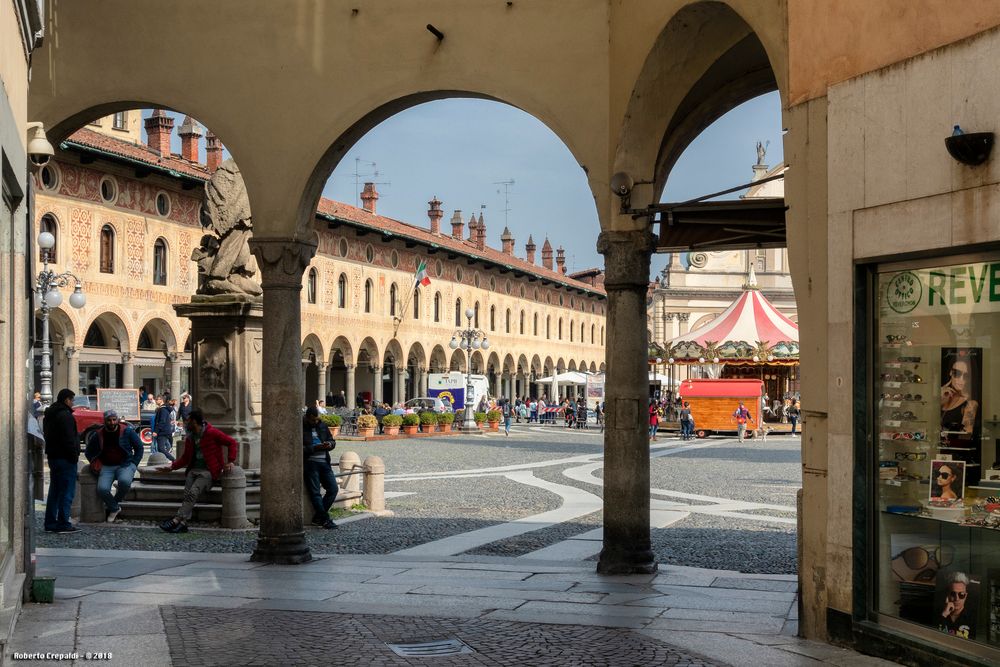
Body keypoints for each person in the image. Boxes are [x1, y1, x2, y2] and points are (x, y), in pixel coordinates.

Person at [156, 409, 238, 533]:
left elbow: (232, 442)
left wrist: (230, 460)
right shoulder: (190, 437)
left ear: (194, 422)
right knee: (187, 494)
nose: (185, 423)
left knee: (193, 493)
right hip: (193, 470)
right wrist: (171, 467)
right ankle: (183, 523)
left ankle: (176, 520)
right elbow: (185, 458)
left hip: (208, 471)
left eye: (187, 421)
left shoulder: (212, 433)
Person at [85, 410, 143, 522]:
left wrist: (134, 464)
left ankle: (112, 505)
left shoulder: (127, 431)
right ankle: (115, 508)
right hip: (106, 466)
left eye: (114, 419)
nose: (112, 422)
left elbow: (139, 448)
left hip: (125, 464)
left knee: (125, 482)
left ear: (117, 419)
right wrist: (94, 463)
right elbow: (88, 451)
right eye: (109, 420)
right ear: (104, 421)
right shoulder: (98, 434)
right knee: (102, 489)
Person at [42, 388, 81, 533]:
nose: (73, 403)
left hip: (53, 456)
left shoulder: (50, 414)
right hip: (65, 458)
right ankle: (64, 523)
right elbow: (69, 439)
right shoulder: (65, 416)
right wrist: (74, 456)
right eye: (72, 400)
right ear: (67, 400)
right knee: (66, 491)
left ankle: (50, 522)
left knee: (55, 491)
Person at [302, 406, 338, 529]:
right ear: (307, 418)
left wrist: (329, 445)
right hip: (310, 463)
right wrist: (313, 448)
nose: (315, 422)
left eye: (317, 420)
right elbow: (296, 448)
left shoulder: (322, 425)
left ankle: (318, 517)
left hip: (324, 462)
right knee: (315, 492)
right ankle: (325, 519)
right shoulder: (300, 427)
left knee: (333, 489)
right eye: (313, 420)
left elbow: (332, 441)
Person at [941, 357, 979, 436]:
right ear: (950, 372)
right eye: (957, 373)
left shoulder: (970, 404)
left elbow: (965, 436)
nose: (961, 379)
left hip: (952, 447)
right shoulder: (945, 397)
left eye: (966, 375)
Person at [938, 571, 974, 639]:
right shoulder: (940, 614)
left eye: (961, 594)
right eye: (953, 594)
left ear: (966, 596)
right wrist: (944, 615)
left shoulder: (972, 618)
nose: (957, 598)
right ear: (948, 595)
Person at [151, 395, 176, 461]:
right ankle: (164, 460)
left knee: (161, 449)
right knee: (162, 448)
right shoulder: (162, 409)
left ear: (161, 400)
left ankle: (173, 460)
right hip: (165, 431)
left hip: (163, 432)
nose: (156, 400)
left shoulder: (163, 409)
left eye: (157, 399)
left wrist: (156, 431)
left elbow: (162, 421)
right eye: (156, 399)